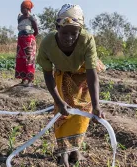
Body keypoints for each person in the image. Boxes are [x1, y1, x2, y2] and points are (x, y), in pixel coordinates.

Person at [37, 4, 106, 167]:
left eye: (74, 33)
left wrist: (96, 105)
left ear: (80, 31)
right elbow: (47, 74)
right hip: (62, 74)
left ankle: (75, 150)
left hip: (83, 75)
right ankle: (63, 155)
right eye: (64, 33)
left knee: (83, 113)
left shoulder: (87, 39)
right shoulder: (47, 44)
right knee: (62, 114)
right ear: (57, 28)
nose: (69, 38)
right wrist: (59, 102)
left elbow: (92, 74)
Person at [15, 0, 38, 87]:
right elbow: (19, 28)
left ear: (28, 9)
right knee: (20, 59)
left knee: (29, 60)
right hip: (20, 40)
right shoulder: (20, 17)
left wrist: (30, 38)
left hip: (29, 40)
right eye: (21, 8)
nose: (22, 10)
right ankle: (23, 79)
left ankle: (30, 80)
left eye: (23, 8)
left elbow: (36, 30)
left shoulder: (32, 17)